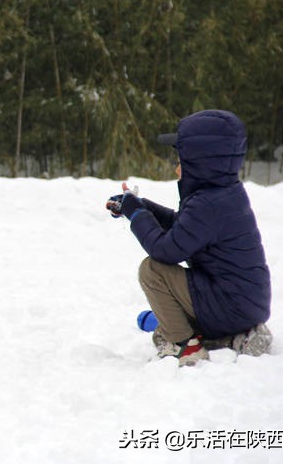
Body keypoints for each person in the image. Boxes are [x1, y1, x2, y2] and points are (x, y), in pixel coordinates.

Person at [106, 109, 271, 366]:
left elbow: (166, 251)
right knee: (163, 329)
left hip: (229, 304)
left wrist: (137, 214)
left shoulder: (208, 204)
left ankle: (185, 347)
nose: (176, 166)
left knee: (152, 270)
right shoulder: (223, 194)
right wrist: (140, 207)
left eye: (181, 159)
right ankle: (237, 339)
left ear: (201, 163)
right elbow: (182, 229)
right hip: (244, 303)